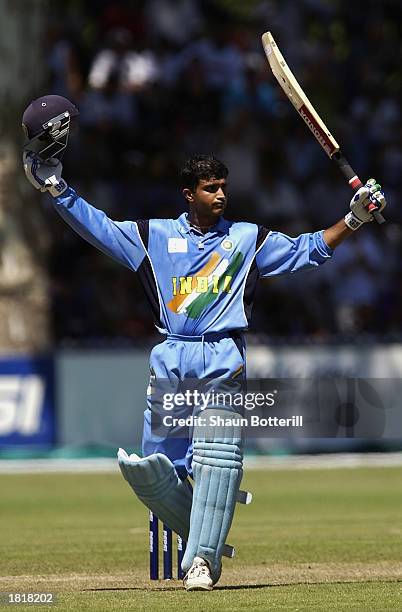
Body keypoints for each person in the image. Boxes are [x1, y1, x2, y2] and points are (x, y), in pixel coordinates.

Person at [22, 96, 386, 591]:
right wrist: (58, 189)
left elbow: (310, 251)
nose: (220, 196)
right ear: (187, 194)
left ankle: (202, 561)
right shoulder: (154, 237)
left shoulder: (246, 238)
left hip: (222, 356)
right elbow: (100, 227)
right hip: (171, 356)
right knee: (154, 474)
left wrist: (357, 218)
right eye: (210, 189)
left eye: (223, 188)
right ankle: (202, 532)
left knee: (217, 455)